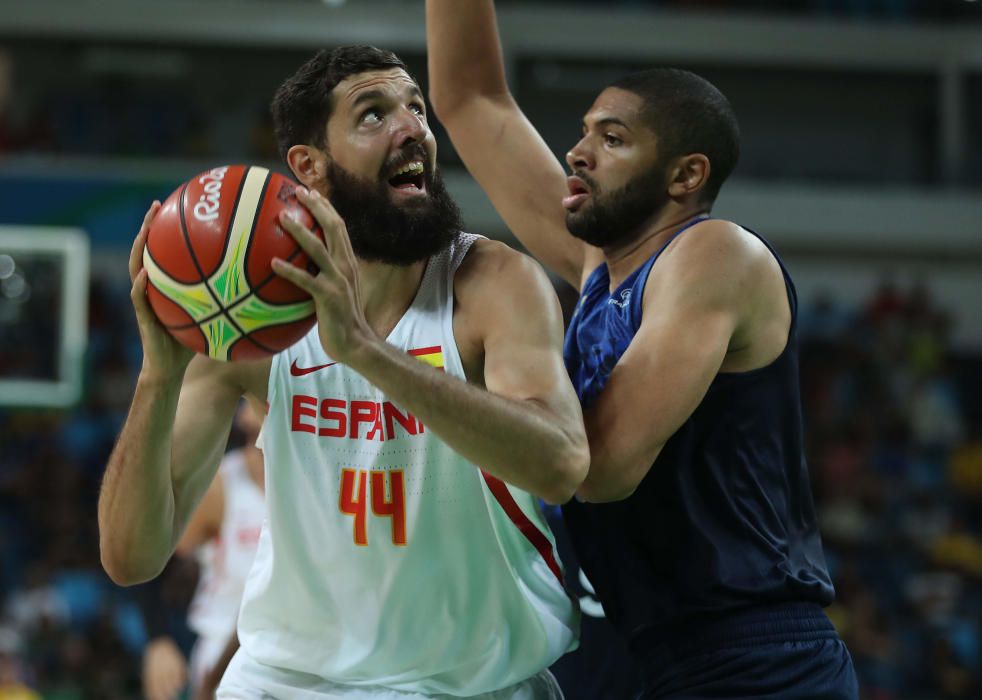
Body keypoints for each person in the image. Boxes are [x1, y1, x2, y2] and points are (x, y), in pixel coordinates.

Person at [98, 45, 590, 699]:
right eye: (374, 114)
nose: (413, 126)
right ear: (309, 166)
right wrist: (157, 377)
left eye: (416, 108)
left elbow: (560, 461)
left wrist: (362, 348)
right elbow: (130, 558)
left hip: (473, 685)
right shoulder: (252, 319)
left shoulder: (492, 285)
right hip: (284, 681)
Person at [426, 3, 859, 698]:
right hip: (652, 653)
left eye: (614, 138)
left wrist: (419, 386)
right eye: (583, 132)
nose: (577, 151)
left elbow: (599, 468)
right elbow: (471, 99)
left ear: (685, 177)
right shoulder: (606, 268)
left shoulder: (716, 253)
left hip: (756, 657)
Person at [141, 399, 266, 700]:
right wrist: (158, 640)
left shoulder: (321, 486)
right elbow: (150, 562)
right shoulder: (220, 486)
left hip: (304, 654)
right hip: (228, 661)